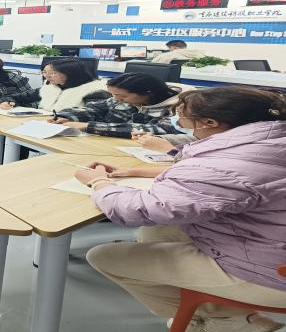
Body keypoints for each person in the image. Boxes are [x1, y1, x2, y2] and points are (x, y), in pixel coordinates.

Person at [74, 86, 286, 332]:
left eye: (182, 115)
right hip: (270, 242)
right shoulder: (269, 141)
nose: (178, 120)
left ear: (209, 122)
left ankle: (225, 321)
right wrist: (137, 171)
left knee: (104, 256)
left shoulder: (226, 165)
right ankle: (225, 311)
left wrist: (98, 183)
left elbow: (138, 210)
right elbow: (234, 177)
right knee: (157, 231)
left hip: (272, 273)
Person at [50, 72, 183, 138]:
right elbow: (96, 109)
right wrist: (67, 116)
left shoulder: (179, 107)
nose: (116, 99)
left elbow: (157, 129)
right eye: (113, 94)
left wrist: (88, 126)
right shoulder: (119, 99)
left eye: (122, 96)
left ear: (148, 93)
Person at [0, 58, 109, 111]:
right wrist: (5, 102)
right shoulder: (51, 87)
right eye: (44, 72)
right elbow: (14, 97)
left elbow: (95, 114)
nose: (46, 77)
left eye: (52, 73)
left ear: (70, 73)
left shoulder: (95, 91)